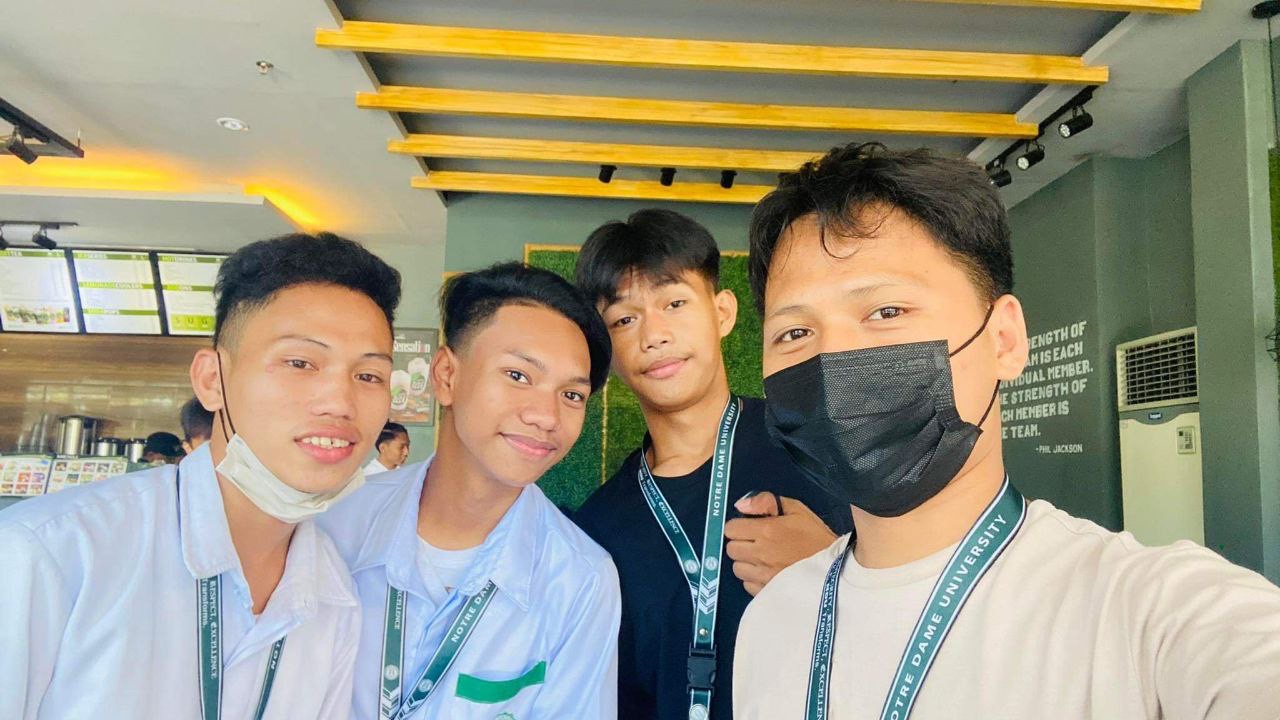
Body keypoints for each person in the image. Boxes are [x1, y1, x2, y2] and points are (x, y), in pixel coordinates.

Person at [733, 142, 1280, 719]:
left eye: (887, 311)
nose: (834, 358)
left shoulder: (1147, 615)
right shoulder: (773, 619)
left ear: (1004, 340)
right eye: (794, 334)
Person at [0, 232, 401, 719]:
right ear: (212, 381)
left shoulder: (334, 594)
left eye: (369, 376)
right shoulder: (52, 554)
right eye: (300, 363)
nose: (339, 402)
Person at [571, 209, 854, 720]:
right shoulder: (599, 529)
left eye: (674, 303)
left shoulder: (819, 445)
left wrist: (832, 570)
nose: (654, 335)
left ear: (722, 312)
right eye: (624, 320)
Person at [318, 262, 621, 720]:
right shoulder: (335, 525)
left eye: (572, 395)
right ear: (446, 375)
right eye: (518, 375)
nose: (546, 416)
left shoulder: (579, 579)